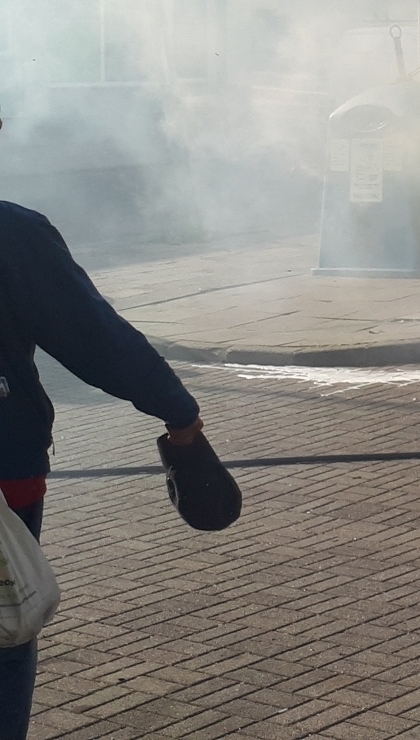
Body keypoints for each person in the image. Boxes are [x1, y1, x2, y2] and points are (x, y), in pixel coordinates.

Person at [0, 149, 207, 740]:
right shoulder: (12, 233)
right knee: (4, 628)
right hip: (3, 471)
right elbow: (93, 336)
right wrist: (178, 412)